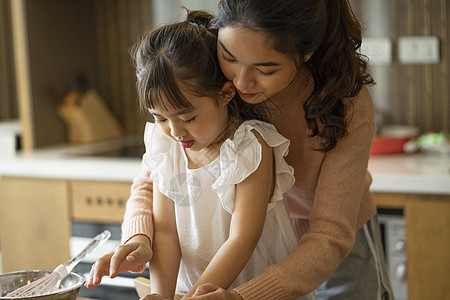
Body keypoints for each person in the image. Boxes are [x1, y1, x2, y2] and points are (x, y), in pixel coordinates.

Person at [88, 0, 394, 299]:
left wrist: (242, 296)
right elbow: (155, 177)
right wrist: (138, 235)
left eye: (266, 69)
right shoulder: (207, 75)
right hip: (259, 245)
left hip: (330, 243)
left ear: (305, 54)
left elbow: (329, 236)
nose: (241, 82)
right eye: (229, 57)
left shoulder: (346, 103)